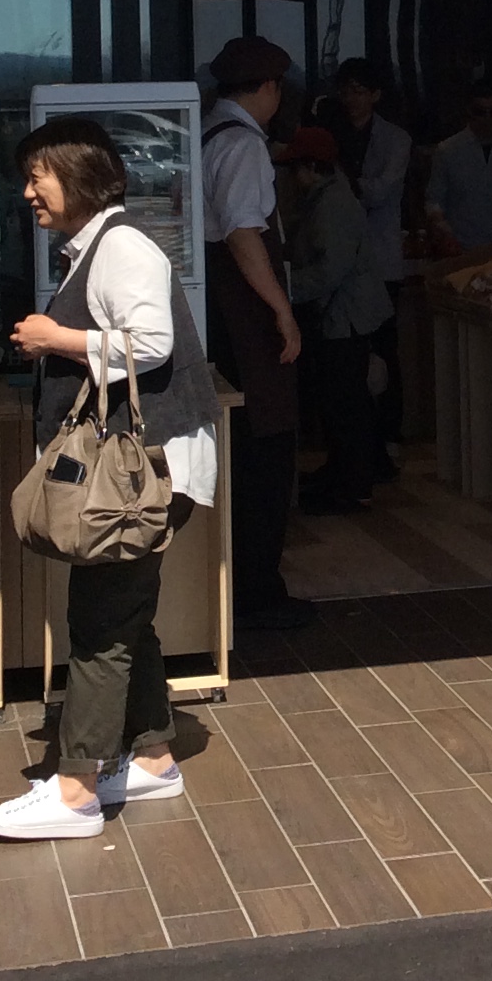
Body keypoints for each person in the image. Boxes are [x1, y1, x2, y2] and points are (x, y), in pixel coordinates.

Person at [0, 117, 218, 840]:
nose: (27, 193)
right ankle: (152, 757)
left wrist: (57, 337)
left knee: (102, 623)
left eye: (37, 177)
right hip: (140, 474)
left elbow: (151, 343)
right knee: (122, 612)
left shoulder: (122, 247)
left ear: (77, 176)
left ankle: (77, 790)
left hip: (141, 476)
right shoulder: (102, 246)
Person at [201, 36, 312, 637]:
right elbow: (245, 235)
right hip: (245, 315)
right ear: (269, 87)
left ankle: (241, 583)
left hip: (225, 313)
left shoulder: (207, 134)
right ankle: (256, 590)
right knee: (263, 449)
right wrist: (282, 312)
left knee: (242, 449)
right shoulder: (243, 145)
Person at [286, 126, 395, 515]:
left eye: (296, 168)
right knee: (343, 401)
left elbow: (331, 269)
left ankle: (354, 485)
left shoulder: (332, 204)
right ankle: (345, 474)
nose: (292, 177)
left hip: (345, 317)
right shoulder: (329, 198)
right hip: (343, 315)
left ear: (312, 167)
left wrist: (286, 288)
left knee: (346, 403)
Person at [333, 55, 412, 480]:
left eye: (360, 91)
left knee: (384, 350)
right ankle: (354, 442)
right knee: (346, 354)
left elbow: (383, 191)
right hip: (340, 258)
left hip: (379, 260)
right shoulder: (333, 133)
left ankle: (389, 435)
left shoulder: (396, 138)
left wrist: (342, 187)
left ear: (377, 95)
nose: (352, 99)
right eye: (346, 91)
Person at [424, 77, 492, 257]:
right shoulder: (447, 151)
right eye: (480, 112)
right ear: (469, 110)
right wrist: (440, 223)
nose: (488, 118)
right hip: (464, 251)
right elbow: (434, 199)